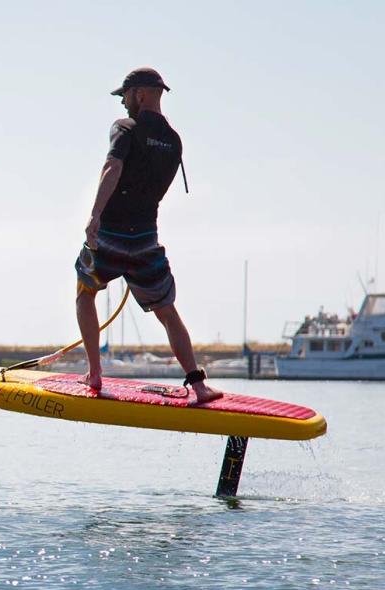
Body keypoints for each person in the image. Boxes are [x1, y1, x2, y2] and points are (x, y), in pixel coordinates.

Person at [76, 67, 222, 404]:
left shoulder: (125, 127)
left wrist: (95, 216)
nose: (123, 104)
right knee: (167, 311)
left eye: (125, 97)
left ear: (140, 94)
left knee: (85, 293)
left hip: (110, 235)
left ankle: (95, 374)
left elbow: (113, 169)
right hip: (145, 240)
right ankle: (198, 386)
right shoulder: (174, 141)